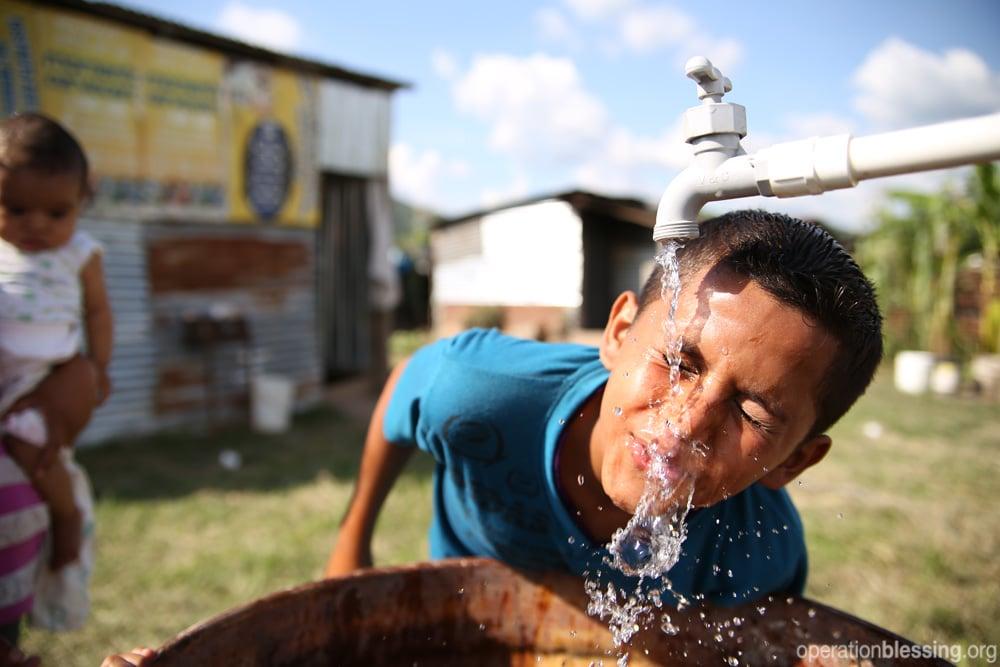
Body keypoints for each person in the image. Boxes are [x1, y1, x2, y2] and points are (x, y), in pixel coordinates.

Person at [325, 210, 882, 608]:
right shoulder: (480, 393)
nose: (685, 425)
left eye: (753, 415)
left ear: (793, 463)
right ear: (619, 332)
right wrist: (352, 544)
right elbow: (407, 388)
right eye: (678, 362)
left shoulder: (759, 557)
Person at [0, 113, 111, 638]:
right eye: (16, 208)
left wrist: (101, 365)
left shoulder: (79, 255)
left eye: (56, 211)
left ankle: (65, 514)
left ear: (81, 204)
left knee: (31, 446)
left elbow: (98, 313)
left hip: (44, 377)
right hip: (7, 378)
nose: (36, 224)